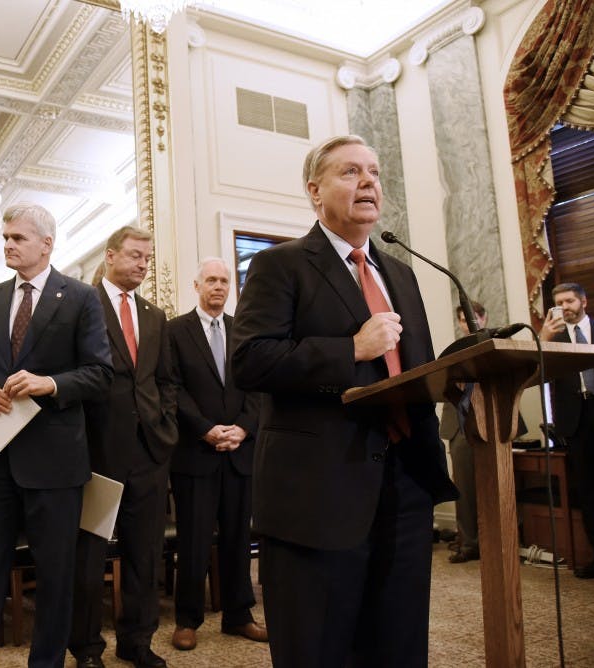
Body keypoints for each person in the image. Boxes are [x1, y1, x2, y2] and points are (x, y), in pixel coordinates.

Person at [231, 135, 458, 667]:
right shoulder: (279, 265)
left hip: (403, 483)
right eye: (351, 172)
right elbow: (250, 362)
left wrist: (456, 380)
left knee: (397, 643)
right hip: (317, 490)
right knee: (319, 647)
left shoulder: (399, 272)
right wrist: (349, 349)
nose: (369, 183)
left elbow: (413, 368)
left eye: (374, 173)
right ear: (315, 190)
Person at [0, 203, 113, 668]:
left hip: (55, 462)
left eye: (18, 238)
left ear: (46, 244)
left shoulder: (81, 298)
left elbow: (101, 374)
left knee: (55, 575)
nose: (8, 244)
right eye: (5, 237)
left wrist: (51, 384)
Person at [70, 225, 178, 668]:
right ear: (111, 256)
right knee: (89, 557)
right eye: (135, 256)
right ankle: (87, 648)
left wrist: (164, 424)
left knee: (144, 554)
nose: (142, 265)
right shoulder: (82, 305)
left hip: (149, 452)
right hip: (96, 451)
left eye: (147, 259)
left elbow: (165, 379)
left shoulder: (154, 315)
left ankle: (137, 643)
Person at [167, 257, 265, 651]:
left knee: (239, 539)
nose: (219, 287)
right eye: (211, 280)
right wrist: (206, 430)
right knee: (192, 541)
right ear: (197, 285)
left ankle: (238, 615)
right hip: (195, 452)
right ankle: (187, 620)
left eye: (225, 281)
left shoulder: (245, 331)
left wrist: (243, 427)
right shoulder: (175, 331)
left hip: (240, 452)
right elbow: (172, 389)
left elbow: (259, 387)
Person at [539, 281, 594, 579]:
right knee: (588, 492)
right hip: (575, 422)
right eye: (559, 302)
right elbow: (537, 373)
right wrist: (543, 338)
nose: (564, 307)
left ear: (583, 302)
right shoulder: (554, 339)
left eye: (569, 301)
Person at [440, 301, 488, 564]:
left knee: (493, 484)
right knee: (464, 489)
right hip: (458, 422)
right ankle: (469, 543)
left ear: (483, 317)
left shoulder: (495, 344)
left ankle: (495, 541)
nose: (469, 322)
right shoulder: (453, 351)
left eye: (474, 316)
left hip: (490, 421)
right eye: (462, 319)